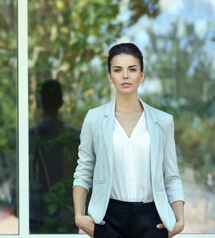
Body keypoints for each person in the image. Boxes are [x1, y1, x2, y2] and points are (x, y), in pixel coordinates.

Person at [73, 43, 185, 238]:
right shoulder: (94, 118)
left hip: (152, 218)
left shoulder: (164, 121)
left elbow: (171, 176)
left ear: (142, 75)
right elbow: (84, 169)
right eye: (118, 70)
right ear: (110, 76)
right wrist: (79, 216)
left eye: (132, 69)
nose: (125, 75)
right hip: (108, 218)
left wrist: (179, 220)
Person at [29, 79, 80, 233]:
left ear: (40, 103)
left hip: (38, 214)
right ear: (61, 102)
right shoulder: (74, 136)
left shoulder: (32, 136)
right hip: (66, 214)